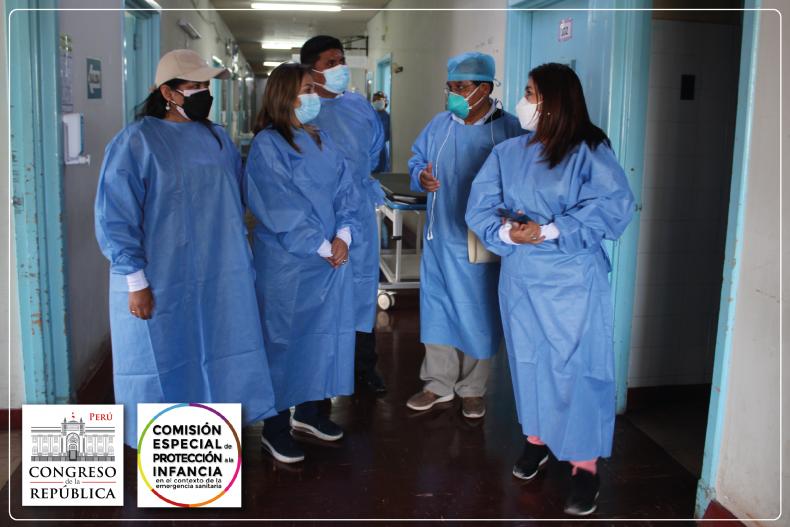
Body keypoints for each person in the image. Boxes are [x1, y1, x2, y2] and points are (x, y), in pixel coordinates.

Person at [465, 63, 635, 516]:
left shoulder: (589, 151)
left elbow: (614, 206)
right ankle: (536, 440)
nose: (523, 102)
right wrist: (508, 233)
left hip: (572, 280)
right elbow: (480, 206)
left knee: (577, 368)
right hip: (521, 278)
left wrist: (551, 230)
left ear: (555, 100)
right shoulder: (508, 153)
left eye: (530, 93)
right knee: (529, 361)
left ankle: (584, 466)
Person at [94, 49, 277, 447]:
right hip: (160, 276)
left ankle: (212, 438)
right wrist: (135, 281)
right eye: (195, 86)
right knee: (162, 357)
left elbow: (238, 195)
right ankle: (164, 445)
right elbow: (116, 217)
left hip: (220, 270)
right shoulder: (136, 141)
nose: (204, 93)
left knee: (222, 349)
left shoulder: (216, 137)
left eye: (206, 85)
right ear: (168, 92)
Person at [246, 63, 359, 464]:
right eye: (307, 89)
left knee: (321, 338)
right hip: (288, 264)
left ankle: (309, 413)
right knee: (282, 341)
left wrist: (344, 234)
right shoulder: (268, 145)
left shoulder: (322, 139)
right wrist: (321, 245)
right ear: (285, 96)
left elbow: (347, 191)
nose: (314, 96)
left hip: (329, 261)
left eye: (314, 88)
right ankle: (274, 428)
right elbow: (278, 205)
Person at [406, 52, 524, 419]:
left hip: (480, 242)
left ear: (484, 89)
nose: (453, 94)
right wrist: (421, 177)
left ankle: (473, 388)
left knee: (479, 312)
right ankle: (437, 384)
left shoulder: (509, 129)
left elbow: (524, 179)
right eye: (451, 86)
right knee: (437, 308)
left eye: (461, 87)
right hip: (440, 237)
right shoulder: (439, 125)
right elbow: (416, 159)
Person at [300, 36, 387, 394]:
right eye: (330, 62)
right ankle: (320, 375)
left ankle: (363, 368)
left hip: (359, 211)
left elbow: (374, 150)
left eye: (341, 60)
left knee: (363, 289)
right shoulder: (302, 110)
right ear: (311, 69)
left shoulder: (359, 106)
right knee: (322, 292)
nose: (340, 68)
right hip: (320, 215)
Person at [371, 91, 391, 173]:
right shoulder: (371, 116)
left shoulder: (387, 117)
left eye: (379, 100)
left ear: (384, 101)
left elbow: (386, 135)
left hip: (381, 151)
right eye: (374, 100)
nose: (376, 102)